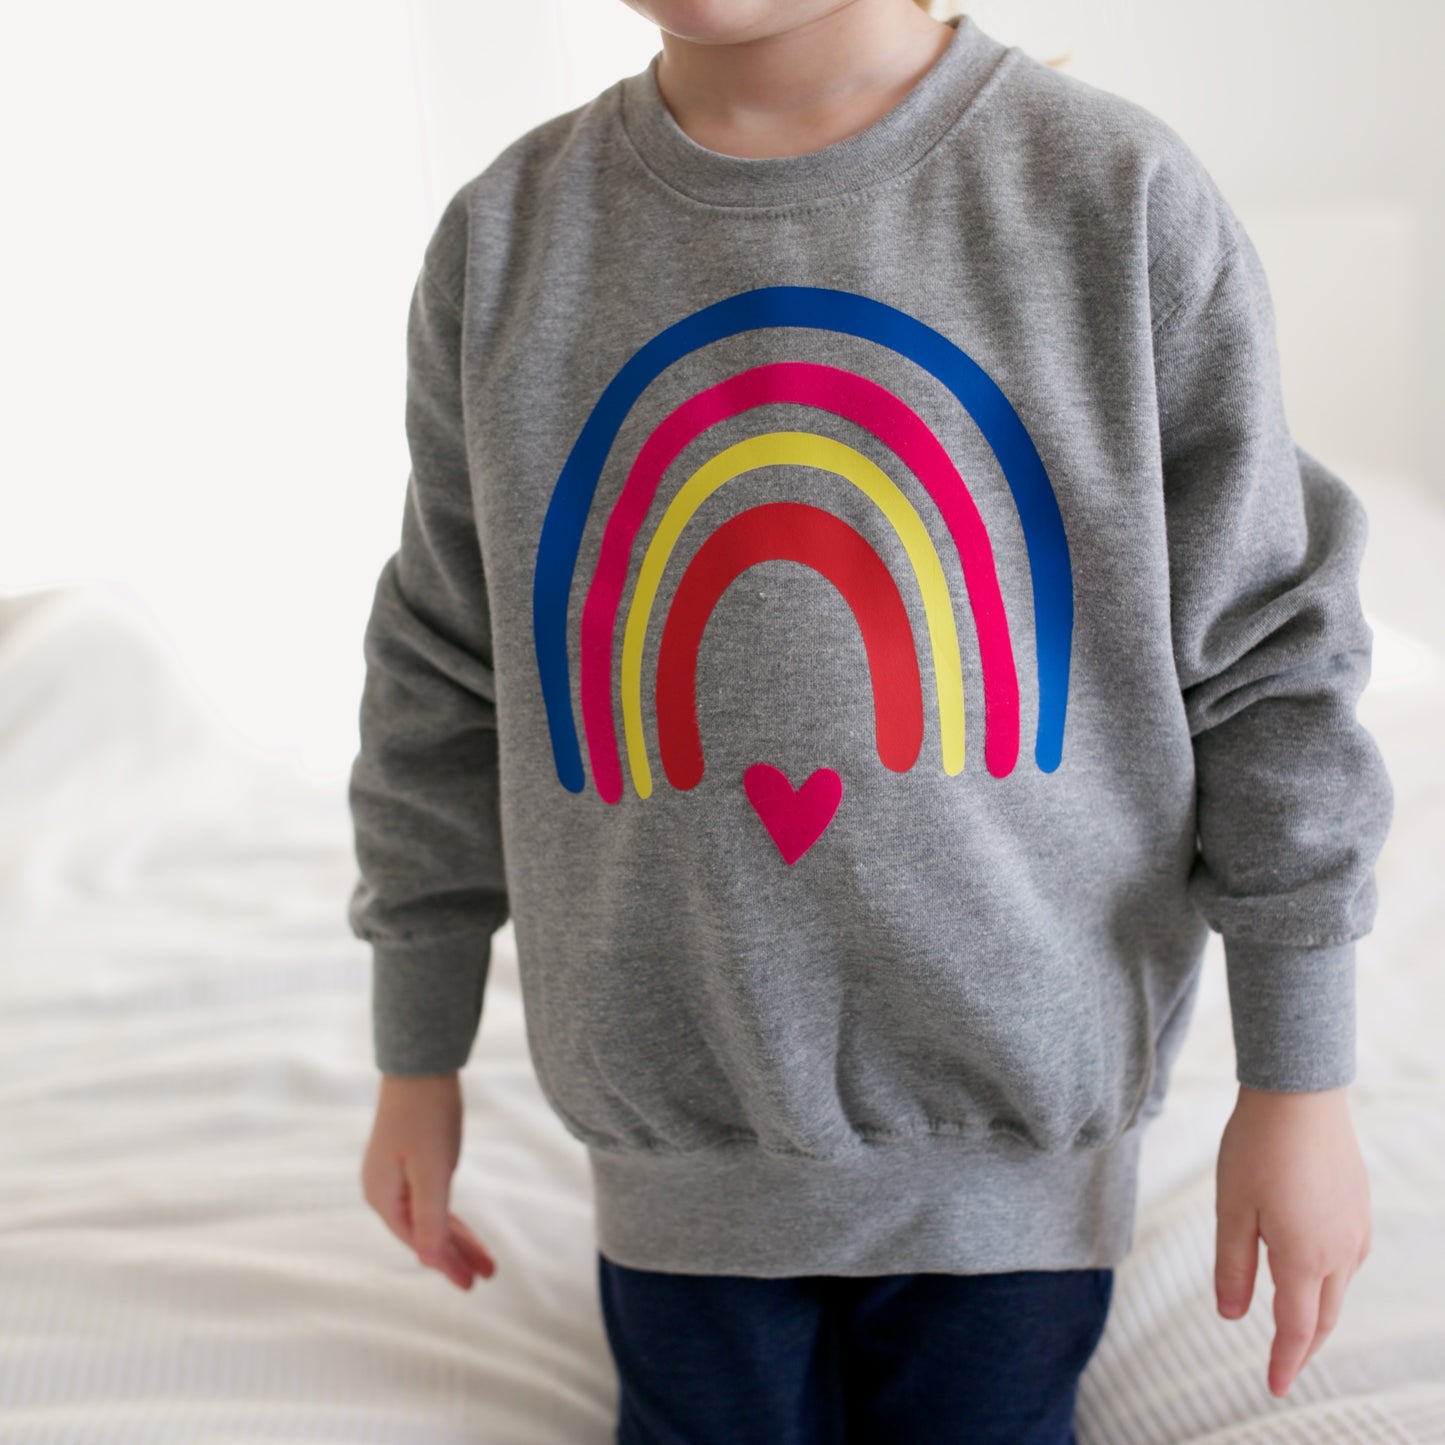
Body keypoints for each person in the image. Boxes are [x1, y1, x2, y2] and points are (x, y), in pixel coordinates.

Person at [349, 0, 1393, 1439]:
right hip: (675, 1171)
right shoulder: (507, 239)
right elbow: (442, 667)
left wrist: (1297, 1079)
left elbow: (1270, 662)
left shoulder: (1115, 198)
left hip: (1015, 1166)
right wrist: (417, 1050)